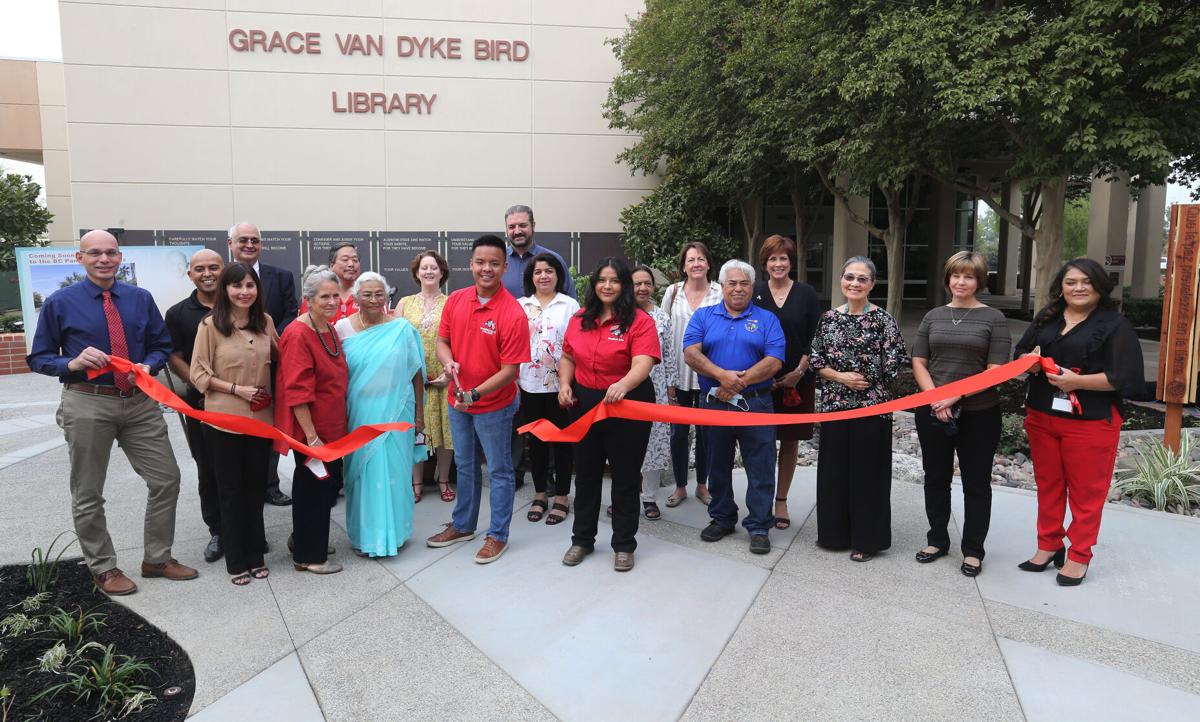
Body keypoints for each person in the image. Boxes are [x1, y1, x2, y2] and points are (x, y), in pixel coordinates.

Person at [27, 229, 197, 596]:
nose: (104, 259)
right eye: (95, 253)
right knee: (88, 491)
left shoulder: (139, 298)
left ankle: (157, 558)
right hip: (88, 401)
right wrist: (71, 361)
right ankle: (103, 567)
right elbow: (39, 358)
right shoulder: (60, 302)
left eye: (111, 253)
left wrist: (149, 365)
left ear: (120, 258)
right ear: (80, 258)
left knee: (166, 478)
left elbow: (160, 345)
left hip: (138, 401)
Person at [1013, 258, 1144, 586]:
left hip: (1090, 421)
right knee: (1049, 485)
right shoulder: (1048, 317)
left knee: (1086, 493)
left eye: (1086, 282)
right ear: (1062, 286)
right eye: (1071, 282)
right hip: (1042, 414)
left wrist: (1078, 382)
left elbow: (1123, 377)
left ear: (1099, 286)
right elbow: (1023, 353)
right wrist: (1028, 364)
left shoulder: (1115, 325)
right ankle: (1048, 545)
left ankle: (1079, 554)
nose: (1079, 288)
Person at [425, 235, 531, 564]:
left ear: (504, 267)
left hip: (494, 406)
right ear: (471, 264)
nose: (487, 269)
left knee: (499, 470)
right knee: (465, 465)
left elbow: (511, 371)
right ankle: (463, 524)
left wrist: (475, 393)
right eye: (480, 262)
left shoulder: (512, 313)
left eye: (494, 263)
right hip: (459, 402)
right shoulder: (456, 300)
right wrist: (448, 361)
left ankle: (497, 535)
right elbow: (443, 341)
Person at [911, 251, 1012, 577]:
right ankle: (937, 539)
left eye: (968, 276)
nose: (961, 282)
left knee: (976, 483)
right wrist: (936, 399)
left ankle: (973, 550)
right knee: (935, 478)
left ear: (979, 281)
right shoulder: (933, 316)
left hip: (979, 413)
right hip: (933, 411)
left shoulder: (994, 318)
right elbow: (919, 361)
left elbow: (995, 370)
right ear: (948, 279)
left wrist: (954, 396)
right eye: (956, 275)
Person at [559, 258, 660, 571]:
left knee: (625, 476)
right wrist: (564, 384)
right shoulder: (579, 318)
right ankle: (582, 540)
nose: (607, 286)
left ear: (624, 285)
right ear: (594, 285)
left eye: (614, 280)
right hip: (586, 402)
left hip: (626, 402)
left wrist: (623, 384)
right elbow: (567, 356)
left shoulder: (639, 321)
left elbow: (643, 362)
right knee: (586, 473)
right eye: (601, 280)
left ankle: (624, 545)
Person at [809, 256, 908, 562]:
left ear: (872, 285)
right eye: (849, 277)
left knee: (867, 475)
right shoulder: (828, 318)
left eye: (861, 279)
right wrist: (841, 377)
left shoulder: (883, 320)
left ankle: (867, 540)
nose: (854, 283)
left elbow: (895, 365)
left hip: (871, 407)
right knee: (834, 473)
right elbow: (815, 360)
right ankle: (833, 535)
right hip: (836, 407)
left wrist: (865, 379)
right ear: (841, 280)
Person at [684, 260, 785, 554]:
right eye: (732, 283)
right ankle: (722, 517)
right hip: (714, 404)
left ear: (752, 288)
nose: (738, 289)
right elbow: (691, 353)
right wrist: (722, 377)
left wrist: (737, 383)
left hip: (757, 404)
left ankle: (758, 525)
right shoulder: (704, 316)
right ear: (723, 286)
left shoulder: (767, 320)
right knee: (717, 463)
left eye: (744, 284)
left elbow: (774, 360)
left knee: (761, 466)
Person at [190, 263, 278, 585]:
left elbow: (284, 357)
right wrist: (236, 389)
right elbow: (198, 374)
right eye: (237, 286)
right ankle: (236, 560)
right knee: (230, 490)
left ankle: (256, 553)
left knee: (256, 489)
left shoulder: (265, 323)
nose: (244, 292)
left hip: (261, 421)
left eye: (250, 285)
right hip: (224, 420)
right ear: (225, 290)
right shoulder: (210, 326)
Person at [335, 272, 425, 558]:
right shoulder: (341, 329)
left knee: (396, 474)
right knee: (362, 475)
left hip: (398, 414)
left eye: (379, 294)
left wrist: (419, 415)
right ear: (355, 298)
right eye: (367, 294)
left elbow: (416, 373)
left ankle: (395, 534)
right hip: (359, 415)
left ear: (387, 296)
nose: (374, 300)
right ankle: (366, 537)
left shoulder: (402, 329)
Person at [275, 266, 349, 575]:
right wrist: (312, 437)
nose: (332, 302)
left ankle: (306, 540)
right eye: (324, 297)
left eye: (335, 296)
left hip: (332, 428)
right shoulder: (298, 333)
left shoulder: (327, 327)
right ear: (308, 299)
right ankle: (309, 556)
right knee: (312, 491)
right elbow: (297, 391)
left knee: (324, 491)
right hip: (313, 433)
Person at [752, 235, 821, 530]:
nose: (778, 264)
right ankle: (761, 499)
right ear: (764, 263)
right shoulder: (754, 293)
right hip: (759, 381)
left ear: (791, 262)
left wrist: (799, 372)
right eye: (772, 259)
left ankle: (781, 499)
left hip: (797, 380)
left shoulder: (806, 293)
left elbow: (815, 337)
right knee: (760, 441)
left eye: (783, 258)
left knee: (790, 441)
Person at [228, 221, 296, 507]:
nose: (249, 245)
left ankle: (270, 484)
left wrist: (267, 340)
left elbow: (291, 312)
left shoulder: (281, 276)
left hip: (272, 366)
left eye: (254, 240)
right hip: (234, 369)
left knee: (271, 428)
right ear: (231, 244)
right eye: (242, 240)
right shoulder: (222, 278)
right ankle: (241, 487)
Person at [164, 249, 225, 563]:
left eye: (214, 267)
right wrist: (202, 383)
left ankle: (248, 528)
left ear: (223, 269)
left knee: (245, 469)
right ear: (190, 275)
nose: (207, 273)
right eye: (200, 269)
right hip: (200, 403)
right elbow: (173, 356)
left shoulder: (242, 305)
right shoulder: (177, 313)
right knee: (209, 467)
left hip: (242, 404)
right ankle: (218, 530)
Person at [517, 253, 580, 525]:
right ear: (531, 277)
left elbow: (577, 344)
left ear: (558, 275)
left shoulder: (570, 305)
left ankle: (563, 496)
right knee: (537, 443)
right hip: (528, 385)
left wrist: (569, 383)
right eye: (538, 271)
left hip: (562, 386)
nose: (543, 276)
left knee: (563, 443)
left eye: (549, 271)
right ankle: (541, 493)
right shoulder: (520, 305)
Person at [663, 242, 723, 508]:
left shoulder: (721, 292)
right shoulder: (672, 292)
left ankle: (702, 484)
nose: (696, 264)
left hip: (710, 374)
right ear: (683, 266)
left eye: (701, 259)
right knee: (678, 433)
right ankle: (679, 486)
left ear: (709, 264)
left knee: (706, 432)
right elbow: (663, 332)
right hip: (678, 373)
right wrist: (665, 376)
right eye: (690, 260)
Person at [397, 250, 455, 503]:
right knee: (415, 432)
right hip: (412, 381)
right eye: (424, 268)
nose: (429, 272)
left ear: (442, 272)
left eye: (434, 267)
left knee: (444, 432)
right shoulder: (404, 304)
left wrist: (447, 374)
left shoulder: (452, 303)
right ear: (416, 273)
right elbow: (396, 343)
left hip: (443, 378)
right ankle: (416, 482)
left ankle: (443, 480)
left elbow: (459, 342)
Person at [632, 264, 676, 519]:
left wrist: (671, 389)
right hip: (624, 390)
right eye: (637, 283)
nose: (642, 288)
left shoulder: (662, 317)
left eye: (647, 283)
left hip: (656, 389)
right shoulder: (619, 314)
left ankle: (649, 498)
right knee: (624, 444)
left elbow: (669, 356)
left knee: (655, 443)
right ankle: (625, 494)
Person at [501, 204, 576, 300]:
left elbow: (570, 301)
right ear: (506, 229)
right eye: (511, 227)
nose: (517, 231)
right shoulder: (498, 262)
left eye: (522, 225)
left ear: (533, 225)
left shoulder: (554, 259)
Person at [301, 242, 362, 322]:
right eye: (345, 260)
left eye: (355, 260)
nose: (351, 264)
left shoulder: (367, 294)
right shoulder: (315, 294)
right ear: (332, 265)